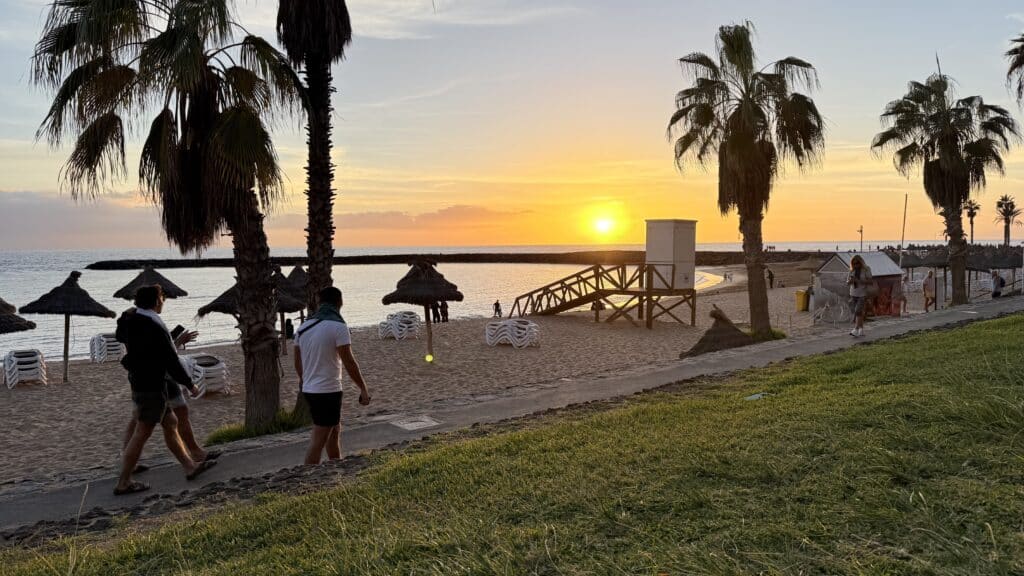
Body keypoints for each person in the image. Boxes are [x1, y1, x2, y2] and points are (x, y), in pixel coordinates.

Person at [114, 285, 216, 495]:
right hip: (151, 383)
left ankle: (190, 466)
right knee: (142, 432)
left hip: (141, 379)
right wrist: (190, 383)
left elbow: (120, 335)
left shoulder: (132, 320)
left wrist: (126, 314)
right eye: (162, 297)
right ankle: (124, 482)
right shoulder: (153, 324)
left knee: (171, 423)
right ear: (156, 300)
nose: (163, 301)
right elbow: (170, 359)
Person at [293, 286, 371, 465]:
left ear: (319, 303)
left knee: (334, 429)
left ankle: (336, 464)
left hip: (310, 389)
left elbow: (298, 362)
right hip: (327, 390)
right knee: (319, 438)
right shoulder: (338, 326)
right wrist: (363, 388)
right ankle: (307, 478)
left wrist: (305, 380)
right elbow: (349, 362)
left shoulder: (303, 328)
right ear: (340, 302)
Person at [847, 255, 873, 337]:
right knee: (859, 312)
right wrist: (850, 281)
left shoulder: (866, 269)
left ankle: (855, 329)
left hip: (862, 293)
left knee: (858, 311)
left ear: (861, 262)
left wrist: (858, 280)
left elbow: (870, 281)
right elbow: (847, 282)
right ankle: (861, 330)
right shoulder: (852, 270)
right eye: (854, 263)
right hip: (853, 293)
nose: (856, 265)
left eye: (857, 263)